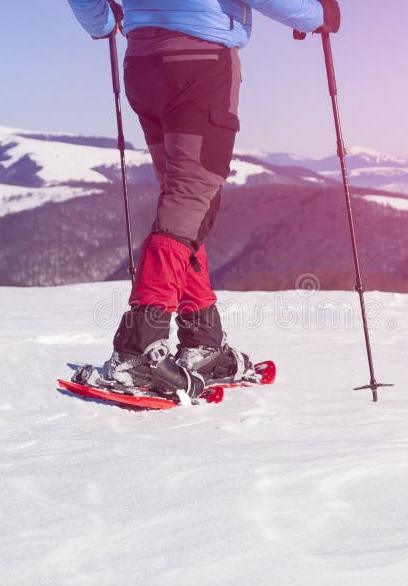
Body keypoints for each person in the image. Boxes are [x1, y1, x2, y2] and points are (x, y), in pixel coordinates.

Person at [67, 0, 341, 397]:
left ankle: (203, 343)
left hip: (143, 63)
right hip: (199, 63)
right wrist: (318, 15)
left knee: (188, 201)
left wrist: (104, 21)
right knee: (190, 197)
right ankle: (137, 352)